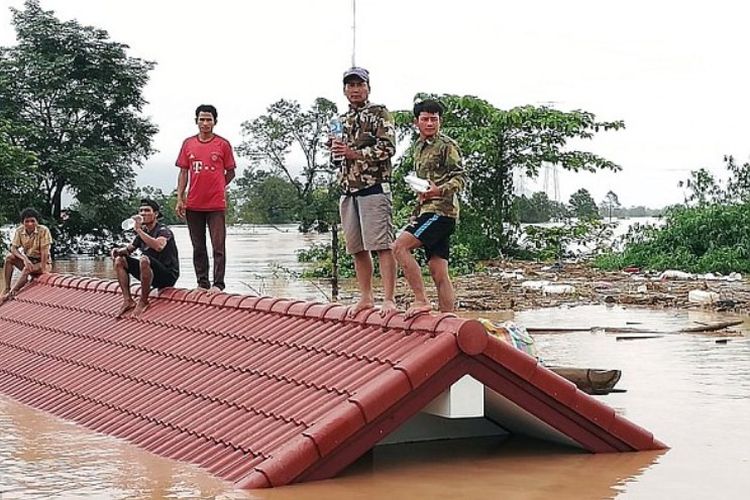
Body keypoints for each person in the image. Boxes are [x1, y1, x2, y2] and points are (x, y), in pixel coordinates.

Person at [331, 66, 398, 317]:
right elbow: (336, 159)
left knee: (382, 245)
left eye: (359, 85)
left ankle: (389, 299)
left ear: (368, 87)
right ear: (345, 90)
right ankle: (366, 297)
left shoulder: (380, 113)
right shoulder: (339, 120)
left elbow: (388, 148)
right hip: (348, 189)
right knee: (357, 248)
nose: (355, 89)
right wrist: (336, 151)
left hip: (374, 187)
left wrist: (355, 153)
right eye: (350, 85)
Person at [391, 99, 466, 318]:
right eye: (425, 119)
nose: (430, 123)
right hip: (427, 209)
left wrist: (438, 190)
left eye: (434, 119)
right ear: (417, 122)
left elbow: (460, 177)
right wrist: (421, 200)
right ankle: (448, 318)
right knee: (438, 270)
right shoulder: (418, 147)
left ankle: (421, 300)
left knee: (399, 247)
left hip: (441, 212)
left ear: (440, 121)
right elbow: (424, 183)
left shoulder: (446, 145)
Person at [175, 104, 236, 294]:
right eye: (202, 119)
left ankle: (218, 284)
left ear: (215, 122)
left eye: (209, 119)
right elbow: (183, 172)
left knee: (218, 245)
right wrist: (180, 198)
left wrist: (218, 186)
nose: (205, 123)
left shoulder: (223, 144)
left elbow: (231, 172)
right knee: (198, 246)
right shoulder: (188, 144)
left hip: (216, 204)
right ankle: (202, 283)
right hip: (194, 203)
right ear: (196, 121)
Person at [111, 198, 179, 317]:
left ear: (156, 214)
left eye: (147, 210)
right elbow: (129, 249)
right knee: (120, 261)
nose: (143, 214)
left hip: (167, 274)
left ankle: (144, 301)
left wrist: (138, 230)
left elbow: (159, 246)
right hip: (149, 270)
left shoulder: (163, 230)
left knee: (143, 259)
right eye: (141, 211)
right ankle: (128, 300)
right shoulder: (143, 231)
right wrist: (118, 251)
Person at [1, 208, 52, 303]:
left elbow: (45, 252)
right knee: (9, 258)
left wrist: (43, 269)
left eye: (32, 221)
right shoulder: (20, 231)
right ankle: (7, 287)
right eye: (27, 221)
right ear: (22, 222)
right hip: (28, 260)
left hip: (43, 262)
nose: (30, 224)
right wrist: (24, 258)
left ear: (37, 221)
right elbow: (13, 248)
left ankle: (10, 293)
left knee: (27, 269)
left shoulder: (44, 230)